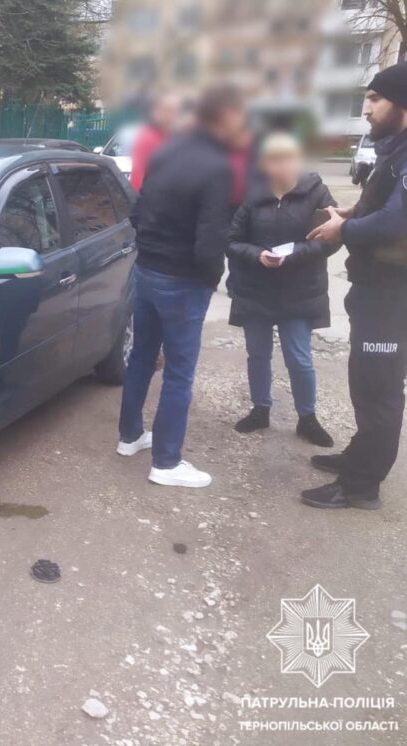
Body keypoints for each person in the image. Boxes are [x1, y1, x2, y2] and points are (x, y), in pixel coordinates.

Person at [117, 83, 246, 488]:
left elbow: (137, 211)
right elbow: (211, 238)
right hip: (183, 280)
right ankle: (166, 462)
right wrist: (212, 278)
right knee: (178, 372)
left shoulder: (165, 151)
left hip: (148, 270)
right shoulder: (217, 165)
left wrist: (151, 252)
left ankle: (130, 436)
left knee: (141, 356)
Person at [302, 62, 407, 510]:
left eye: (375, 99)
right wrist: (349, 214)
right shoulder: (395, 151)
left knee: (380, 387)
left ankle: (362, 486)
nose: (366, 108)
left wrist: (343, 232)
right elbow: (382, 206)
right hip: (377, 288)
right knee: (365, 380)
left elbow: (399, 219)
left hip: (392, 292)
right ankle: (358, 458)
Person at [226, 133, 338, 446]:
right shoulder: (253, 195)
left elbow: (331, 239)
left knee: (299, 358)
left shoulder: (316, 192)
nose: (281, 165)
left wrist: (292, 255)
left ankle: (308, 418)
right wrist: (257, 255)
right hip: (255, 289)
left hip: (299, 290)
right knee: (257, 354)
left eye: (288, 157)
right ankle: (260, 409)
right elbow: (233, 240)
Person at [129, 93, 182, 192]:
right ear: (155, 112)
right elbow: (139, 176)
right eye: (167, 110)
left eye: (175, 111)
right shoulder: (148, 137)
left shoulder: (177, 137)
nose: (171, 115)